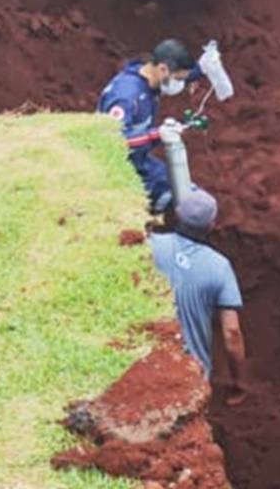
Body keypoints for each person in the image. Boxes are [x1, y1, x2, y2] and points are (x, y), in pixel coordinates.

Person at [150, 189, 249, 406]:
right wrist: (240, 383)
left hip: (145, 364)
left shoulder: (149, 245)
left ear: (176, 215)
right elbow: (231, 334)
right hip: (190, 374)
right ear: (211, 226)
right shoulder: (220, 266)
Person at [97, 39, 202, 212]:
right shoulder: (126, 97)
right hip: (117, 168)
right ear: (162, 69)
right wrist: (157, 135)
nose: (180, 85)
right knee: (179, 203)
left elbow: (182, 74)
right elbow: (111, 143)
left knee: (194, 198)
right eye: (178, 80)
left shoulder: (150, 76)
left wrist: (203, 69)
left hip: (141, 160)